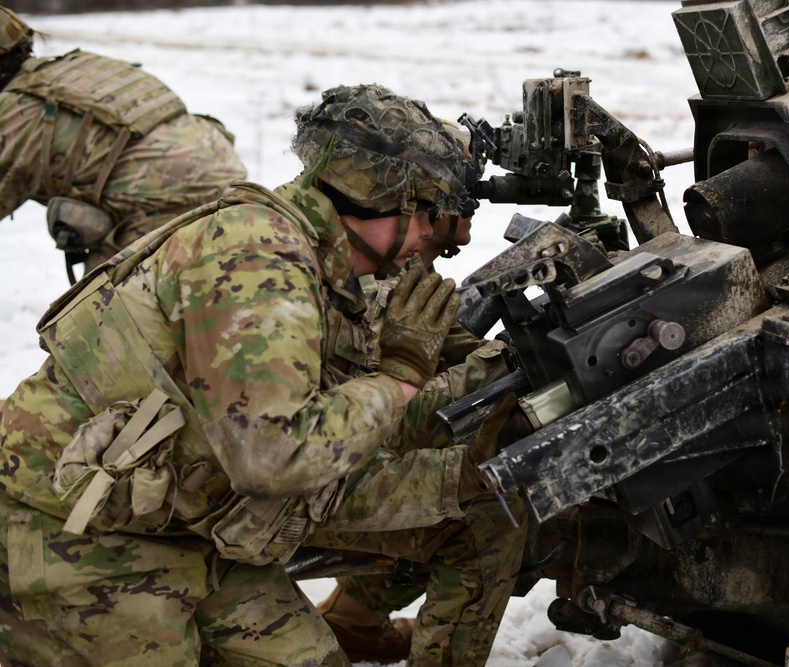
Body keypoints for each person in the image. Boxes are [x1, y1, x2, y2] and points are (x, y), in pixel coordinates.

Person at [0, 82, 526, 666]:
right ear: (382, 207)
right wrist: (400, 379)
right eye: (429, 215)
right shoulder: (260, 262)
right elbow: (272, 457)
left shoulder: (315, 248)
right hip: (71, 532)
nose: (436, 235)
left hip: (180, 520)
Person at [315, 120, 515, 663]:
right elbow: (387, 415)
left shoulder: (382, 259)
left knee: (444, 478)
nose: (469, 229)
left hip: (314, 459)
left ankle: (352, 622)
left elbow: (446, 355)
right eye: (460, 202)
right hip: (288, 473)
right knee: (480, 512)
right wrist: (510, 365)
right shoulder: (348, 265)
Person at [0, 6, 246, 282]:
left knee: (105, 310)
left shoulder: (12, 111)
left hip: (164, 196)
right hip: (224, 172)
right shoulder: (74, 66)